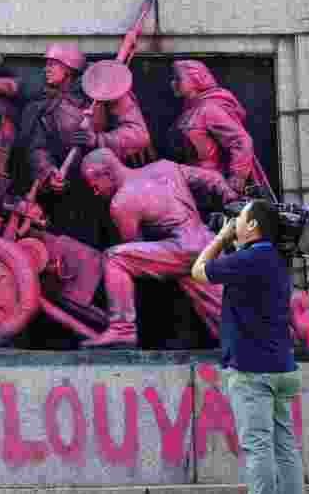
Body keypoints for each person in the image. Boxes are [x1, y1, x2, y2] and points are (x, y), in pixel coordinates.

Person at [192, 199, 305, 494]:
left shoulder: (250, 258)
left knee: (258, 448)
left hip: (252, 371)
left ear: (252, 225)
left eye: (239, 219)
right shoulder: (275, 260)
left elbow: (199, 271)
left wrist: (223, 237)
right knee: (285, 447)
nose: (234, 222)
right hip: (283, 367)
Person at [78, 148, 240, 348]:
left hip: (184, 249)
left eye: (94, 185)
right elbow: (213, 178)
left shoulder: (121, 203)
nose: (95, 192)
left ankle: (122, 329)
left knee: (115, 258)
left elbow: (136, 253)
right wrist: (231, 198)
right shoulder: (165, 167)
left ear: (108, 173)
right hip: (207, 243)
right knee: (223, 313)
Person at [27, 43, 151, 249]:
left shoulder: (105, 90)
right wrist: (49, 173)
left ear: (70, 68)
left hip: (110, 186)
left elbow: (138, 134)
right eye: (46, 64)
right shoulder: (45, 103)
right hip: (69, 191)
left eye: (53, 64)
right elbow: (37, 147)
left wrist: (99, 140)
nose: (46, 69)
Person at [167, 60, 264, 197]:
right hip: (190, 184)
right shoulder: (186, 114)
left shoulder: (209, 109)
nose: (173, 83)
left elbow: (242, 141)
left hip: (210, 184)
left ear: (196, 79)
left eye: (178, 78)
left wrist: (237, 178)